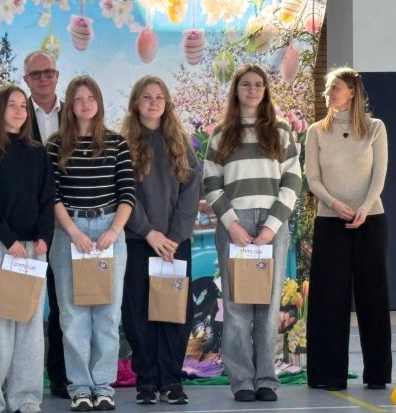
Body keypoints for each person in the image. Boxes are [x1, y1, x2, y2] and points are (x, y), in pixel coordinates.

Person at [203, 64, 301, 402]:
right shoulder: (221, 133)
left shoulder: (281, 130)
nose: (253, 90)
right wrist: (232, 223)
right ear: (236, 90)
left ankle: (266, 379)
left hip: (272, 223)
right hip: (235, 224)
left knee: (269, 306)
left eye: (259, 84)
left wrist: (271, 226)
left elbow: (293, 180)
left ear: (265, 91)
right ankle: (242, 380)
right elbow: (211, 182)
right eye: (246, 84)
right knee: (236, 306)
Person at [47, 75, 135, 411]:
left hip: (109, 229)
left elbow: (127, 193)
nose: (85, 104)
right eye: (78, 99)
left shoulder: (116, 143)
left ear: (99, 102)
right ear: (70, 105)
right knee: (73, 316)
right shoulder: (56, 145)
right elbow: (52, 195)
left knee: (107, 315)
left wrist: (112, 231)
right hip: (69, 232)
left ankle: (103, 387)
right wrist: (74, 232)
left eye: (91, 98)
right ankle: (80, 388)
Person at [305, 67, 391, 390]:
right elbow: (313, 178)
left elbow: (379, 175)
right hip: (330, 221)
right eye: (327, 89)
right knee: (329, 298)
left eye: (335, 88)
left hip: (370, 219)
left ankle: (378, 374)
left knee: (373, 296)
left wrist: (364, 209)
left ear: (352, 92)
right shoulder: (315, 131)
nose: (328, 94)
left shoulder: (375, 128)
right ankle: (327, 375)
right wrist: (334, 204)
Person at [0, 85, 55, 413]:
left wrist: (44, 236)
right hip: (0, 248)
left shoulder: (38, 154)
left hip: (33, 251)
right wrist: (9, 240)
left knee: (29, 327)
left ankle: (26, 398)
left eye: (23, 106)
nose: (20, 111)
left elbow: (47, 198)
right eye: (12, 106)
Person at [120, 75, 200, 405]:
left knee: (173, 313)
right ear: (136, 103)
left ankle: (170, 380)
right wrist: (148, 232)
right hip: (138, 241)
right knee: (138, 314)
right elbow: (124, 193)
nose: (153, 103)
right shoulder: (123, 145)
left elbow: (191, 194)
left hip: (174, 245)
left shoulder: (181, 143)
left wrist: (174, 237)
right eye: (146, 97)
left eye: (159, 97)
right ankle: (147, 381)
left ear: (167, 104)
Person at [22, 50, 69, 399]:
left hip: (69, 227)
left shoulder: (77, 113)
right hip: (29, 227)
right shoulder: (16, 113)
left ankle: (62, 377)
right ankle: (23, 380)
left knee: (65, 304)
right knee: (25, 305)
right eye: (35, 74)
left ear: (57, 75)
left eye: (48, 72)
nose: (42, 78)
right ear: (26, 80)